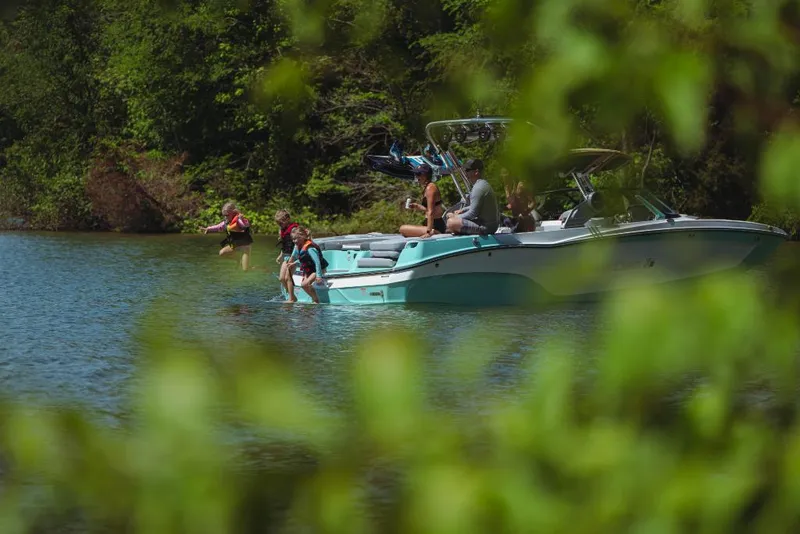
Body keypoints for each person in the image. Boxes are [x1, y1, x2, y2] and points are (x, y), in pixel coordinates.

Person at [445, 158, 500, 235]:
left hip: (486, 227)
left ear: (476, 172)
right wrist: (463, 209)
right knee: (450, 219)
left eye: (467, 170)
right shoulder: (481, 184)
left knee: (451, 222)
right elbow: (477, 206)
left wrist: (455, 216)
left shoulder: (478, 188)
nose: (465, 173)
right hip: (486, 223)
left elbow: (473, 213)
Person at [200, 202, 253, 271]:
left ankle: (263, 269)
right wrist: (208, 229)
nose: (225, 217)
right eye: (224, 215)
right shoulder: (227, 222)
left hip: (245, 246)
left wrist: (241, 218)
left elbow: (245, 226)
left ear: (233, 213)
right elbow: (218, 226)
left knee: (245, 270)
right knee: (222, 253)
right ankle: (238, 259)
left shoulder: (239, 219)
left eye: (227, 215)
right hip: (236, 244)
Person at [399, 164, 446, 238]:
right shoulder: (427, 187)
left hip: (435, 225)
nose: (416, 177)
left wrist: (428, 232)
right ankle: (432, 230)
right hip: (431, 225)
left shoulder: (430, 188)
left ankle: (435, 232)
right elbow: (429, 209)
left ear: (425, 175)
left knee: (402, 228)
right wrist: (417, 206)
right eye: (415, 174)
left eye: (418, 174)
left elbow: (431, 212)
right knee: (404, 229)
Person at [287, 226, 328, 304]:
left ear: (302, 237)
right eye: (293, 239)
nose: (294, 241)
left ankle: (316, 300)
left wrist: (319, 276)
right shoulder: (299, 246)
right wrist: (294, 263)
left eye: (296, 239)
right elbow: (303, 258)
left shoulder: (310, 248)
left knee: (304, 284)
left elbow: (317, 262)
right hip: (310, 269)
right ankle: (314, 298)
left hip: (318, 269)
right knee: (304, 285)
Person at [274, 209, 299, 302]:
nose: (280, 225)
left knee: (288, 277)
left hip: (294, 256)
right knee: (281, 278)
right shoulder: (283, 230)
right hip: (286, 255)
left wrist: (292, 258)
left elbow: (296, 245)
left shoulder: (294, 229)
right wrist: (281, 255)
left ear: (288, 219)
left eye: (281, 223)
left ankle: (291, 298)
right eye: (279, 224)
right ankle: (293, 296)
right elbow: (284, 244)